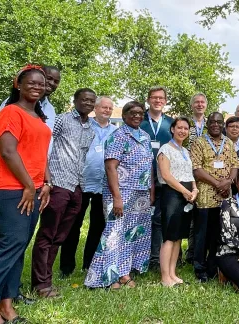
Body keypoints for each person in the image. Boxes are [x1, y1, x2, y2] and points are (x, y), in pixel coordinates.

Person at [0, 65, 60, 313]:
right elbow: (8, 152)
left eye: (41, 84)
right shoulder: (11, 112)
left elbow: (40, 155)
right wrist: (29, 186)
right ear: (18, 85)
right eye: (31, 83)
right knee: (8, 249)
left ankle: (7, 306)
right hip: (13, 189)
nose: (37, 87)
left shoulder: (39, 116)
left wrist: (46, 184)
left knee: (17, 249)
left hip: (32, 190)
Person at [31, 88, 96, 298]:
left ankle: (46, 279)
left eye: (91, 101)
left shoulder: (90, 128)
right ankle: (40, 284)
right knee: (47, 234)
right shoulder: (61, 120)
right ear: (75, 100)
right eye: (84, 99)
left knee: (60, 236)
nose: (88, 103)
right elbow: (44, 148)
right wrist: (46, 180)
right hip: (58, 183)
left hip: (77, 186)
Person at [84, 101, 155, 289]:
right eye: (132, 113)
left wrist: (151, 190)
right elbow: (110, 167)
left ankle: (123, 273)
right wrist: (117, 197)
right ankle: (107, 277)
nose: (137, 115)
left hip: (140, 194)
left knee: (130, 235)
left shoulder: (145, 137)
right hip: (121, 192)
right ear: (124, 116)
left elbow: (149, 166)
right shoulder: (118, 135)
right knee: (114, 235)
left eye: (140, 113)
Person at [59, 96, 117, 277]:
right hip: (82, 183)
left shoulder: (115, 131)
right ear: (96, 109)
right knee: (73, 225)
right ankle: (66, 268)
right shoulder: (85, 126)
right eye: (103, 107)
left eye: (110, 108)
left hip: (103, 185)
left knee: (97, 227)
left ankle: (89, 265)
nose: (107, 111)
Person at [190, 112, 239, 282]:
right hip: (205, 196)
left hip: (225, 197)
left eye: (219, 122)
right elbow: (196, 169)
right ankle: (200, 268)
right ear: (207, 124)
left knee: (219, 234)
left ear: (223, 125)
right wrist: (218, 184)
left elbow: (234, 165)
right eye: (212, 122)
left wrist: (229, 181)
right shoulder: (198, 142)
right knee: (202, 234)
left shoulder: (229, 143)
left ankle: (213, 266)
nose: (216, 124)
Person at [157, 117, 197, 287]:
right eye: (179, 127)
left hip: (186, 196)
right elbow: (166, 175)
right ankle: (165, 277)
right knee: (169, 237)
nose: (182, 131)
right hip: (172, 195)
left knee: (179, 237)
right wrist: (185, 191)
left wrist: (194, 189)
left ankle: (173, 273)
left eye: (186, 128)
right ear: (172, 129)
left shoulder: (185, 151)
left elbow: (190, 174)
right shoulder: (165, 149)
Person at [140, 86, 174, 270]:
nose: (158, 101)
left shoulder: (170, 123)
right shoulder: (139, 119)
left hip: (164, 178)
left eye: (161, 98)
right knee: (140, 219)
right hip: (140, 179)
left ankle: (155, 257)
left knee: (159, 220)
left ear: (165, 101)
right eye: (154, 97)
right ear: (148, 100)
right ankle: (138, 257)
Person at [184, 92, 209, 263]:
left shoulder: (211, 125)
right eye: (196, 102)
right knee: (187, 216)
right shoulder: (186, 124)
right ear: (192, 105)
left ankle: (198, 253)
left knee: (201, 217)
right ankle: (187, 254)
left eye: (202, 102)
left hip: (205, 176)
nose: (199, 105)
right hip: (186, 173)